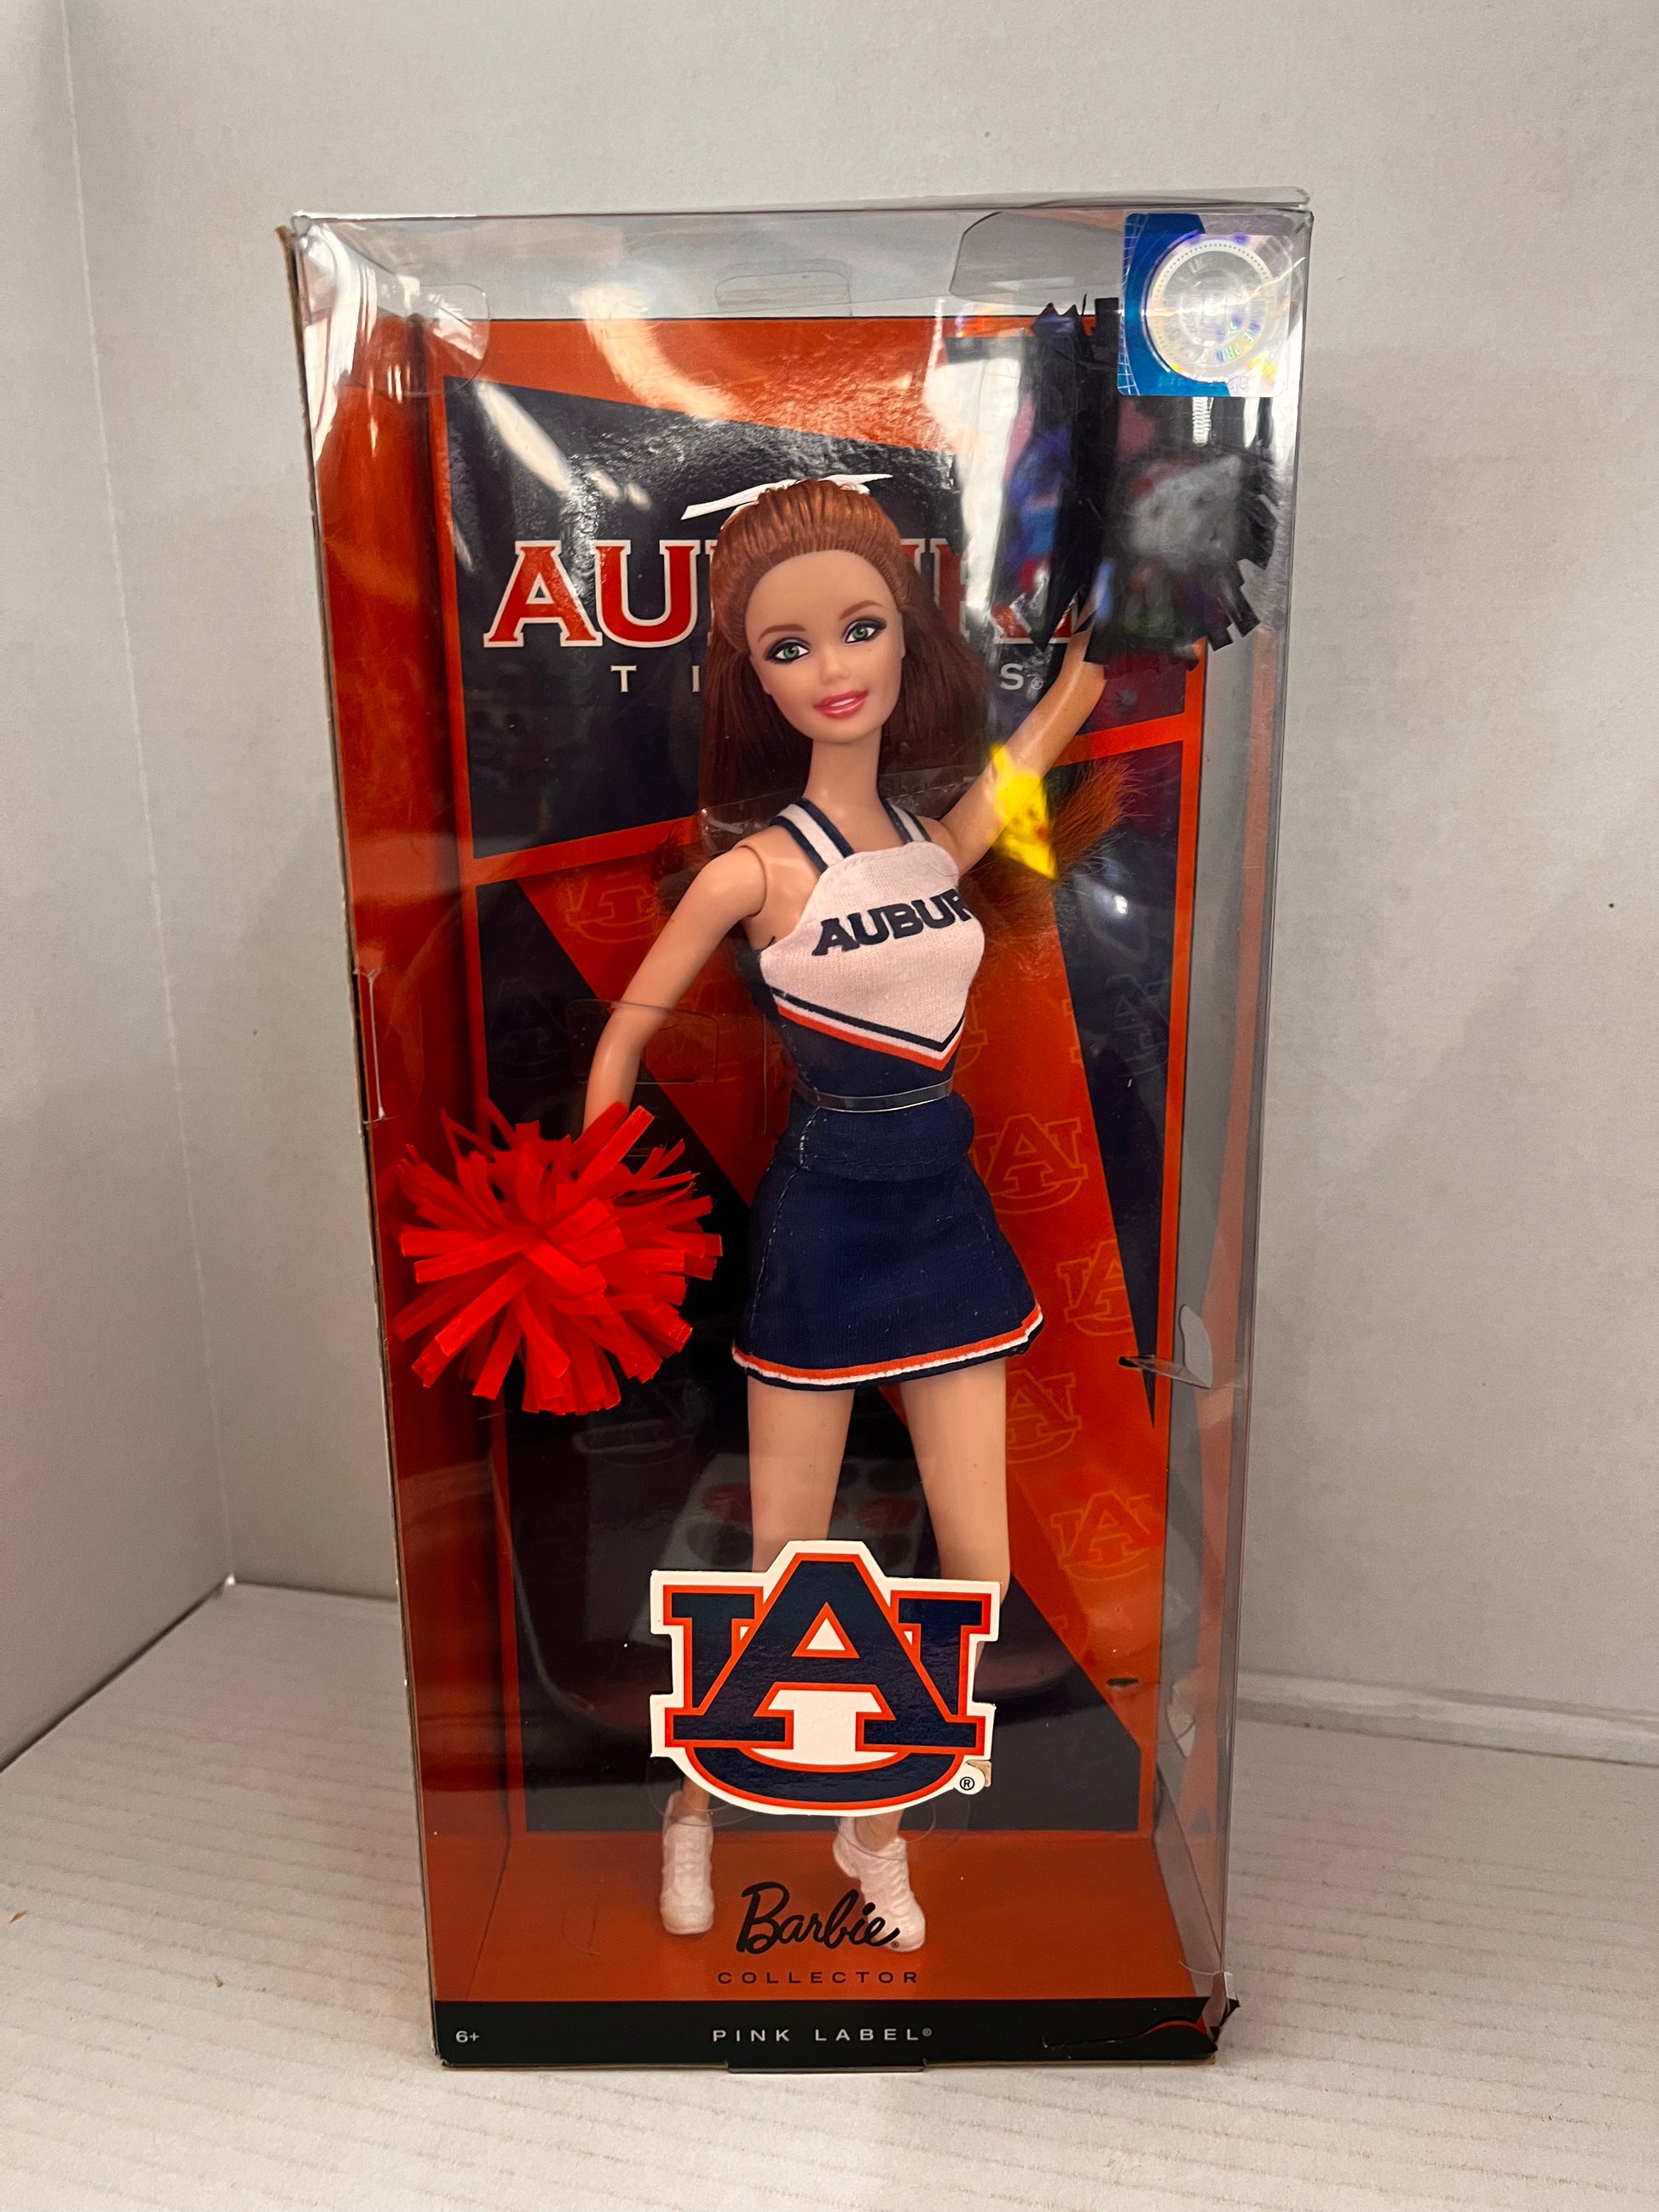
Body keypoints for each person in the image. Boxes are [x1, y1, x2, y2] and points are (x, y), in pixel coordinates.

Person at [583, 479, 1106, 1948]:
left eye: (859, 628)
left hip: (943, 1214)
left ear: (905, 638)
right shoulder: (753, 870)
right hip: (824, 1225)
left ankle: (872, 1823)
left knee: (979, 1573)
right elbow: (627, 1037)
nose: (830, 667)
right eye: (787, 648)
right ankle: (696, 1808)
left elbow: (1024, 767)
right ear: (751, 681)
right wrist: (590, 1204)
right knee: (778, 1570)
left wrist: (1092, 663)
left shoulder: (932, 845)